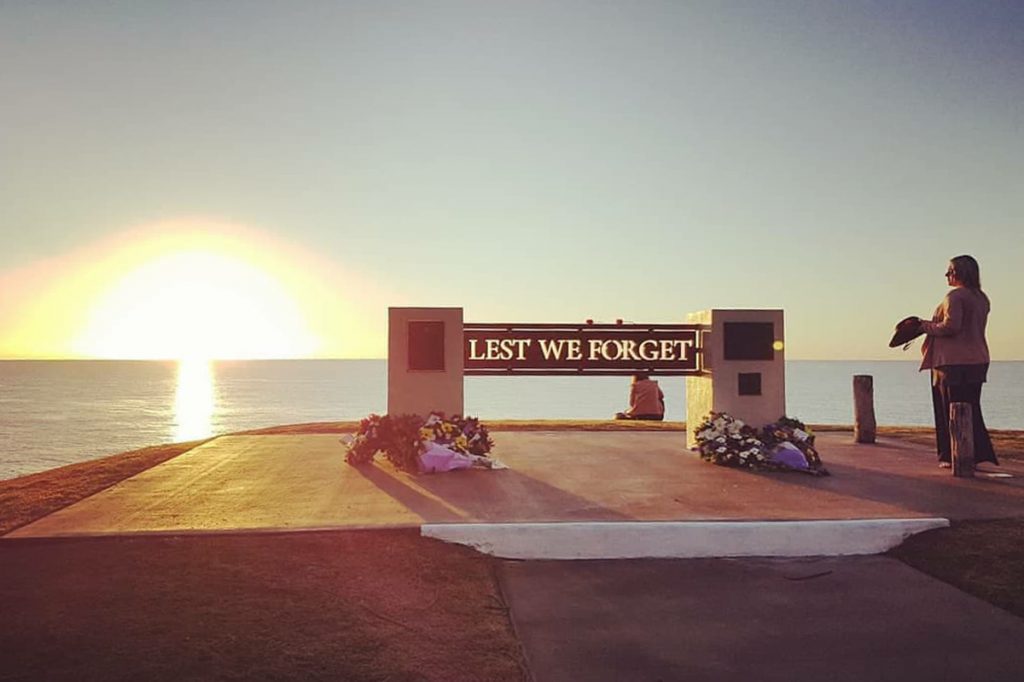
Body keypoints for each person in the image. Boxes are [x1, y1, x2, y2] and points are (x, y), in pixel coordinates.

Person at [914, 255, 998, 468]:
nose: (947, 275)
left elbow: (951, 327)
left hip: (952, 362)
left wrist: (923, 326)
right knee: (970, 409)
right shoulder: (981, 298)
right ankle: (977, 454)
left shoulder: (955, 296)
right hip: (977, 359)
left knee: (949, 410)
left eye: (950, 270)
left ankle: (953, 456)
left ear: (961, 272)